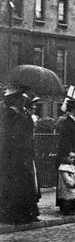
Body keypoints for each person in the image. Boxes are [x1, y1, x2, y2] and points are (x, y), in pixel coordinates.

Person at [0, 87, 40, 224]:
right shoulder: (7, 115)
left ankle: (27, 214)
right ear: (14, 100)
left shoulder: (21, 115)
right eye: (19, 98)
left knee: (24, 184)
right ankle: (15, 216)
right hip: (12, 156)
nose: (22, 101)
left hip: (22, 155)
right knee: (14, 186)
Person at [56, 151, 75, 216]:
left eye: (73, 158)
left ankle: (73, 207)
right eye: (71, 158)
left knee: (73, 196)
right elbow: (66, 178)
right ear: (65, 158)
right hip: (66, 185)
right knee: (67, 197)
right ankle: (67, 210)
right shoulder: (63, 167)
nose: (73, 159)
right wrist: (71, 183)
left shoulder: (71, 166)